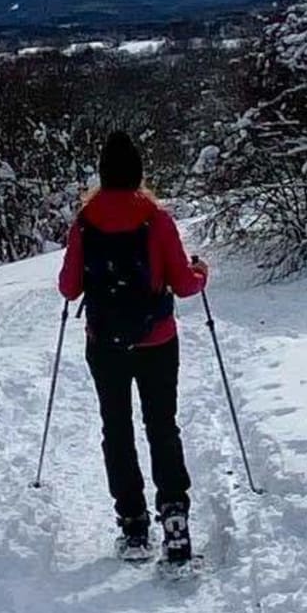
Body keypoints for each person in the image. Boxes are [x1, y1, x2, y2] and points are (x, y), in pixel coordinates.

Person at [57, 130, 209, 564]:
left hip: (105, 343)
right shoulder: (157, 219)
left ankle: (133, 523)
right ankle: (175, 518)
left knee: (116, 427)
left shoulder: (84, 222)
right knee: (162, 424)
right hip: (157, 339)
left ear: (103, 175)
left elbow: (69, 288)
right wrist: (201, 272)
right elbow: (183, 285)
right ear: (140, 173)